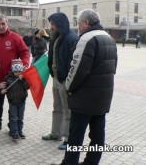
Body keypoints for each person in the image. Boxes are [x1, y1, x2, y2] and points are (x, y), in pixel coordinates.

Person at [59, 9, 117, 165]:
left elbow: (77, 69)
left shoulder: (87, 39)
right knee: (97, 134)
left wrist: (68, 88)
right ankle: (92, 162)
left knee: (76, 136)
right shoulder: (109, 38)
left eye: (78, 24)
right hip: (103, 98)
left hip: (84, 99)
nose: (78, 27)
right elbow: (113, 68)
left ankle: (70, 162)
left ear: (86, 23)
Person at [0, 14, 30, 132]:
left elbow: (25, 52)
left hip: (12, 79)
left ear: (7, 24)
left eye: (3, 24)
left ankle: (12, 126)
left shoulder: (16, 37)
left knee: (13, 104)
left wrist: (24, 64)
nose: (1, 26)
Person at [43, 12, 79, 150]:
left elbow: (74, 63)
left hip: (65, 81)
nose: (51, 27)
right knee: (56, 107)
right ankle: (55, 133)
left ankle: (68, 139)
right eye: (50, 24)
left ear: (60, 24)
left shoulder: (71, 38)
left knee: (67, 110)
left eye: (53, 24)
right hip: (56, 79)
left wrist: (69, 81)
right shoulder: (55, 37)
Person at [1, 59, 29, 141]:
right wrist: (3, 90)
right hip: (12, 102)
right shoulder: (8, 78)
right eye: (16, 72)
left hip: (22, 101)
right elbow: (5, 88)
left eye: (19, 71)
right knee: (13, 118)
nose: (18, 73)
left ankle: (20, 131)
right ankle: (14, 133)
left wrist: (23, 79)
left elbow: (27, 87)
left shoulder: (23, 78)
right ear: (13, 71)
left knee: (20, 118)